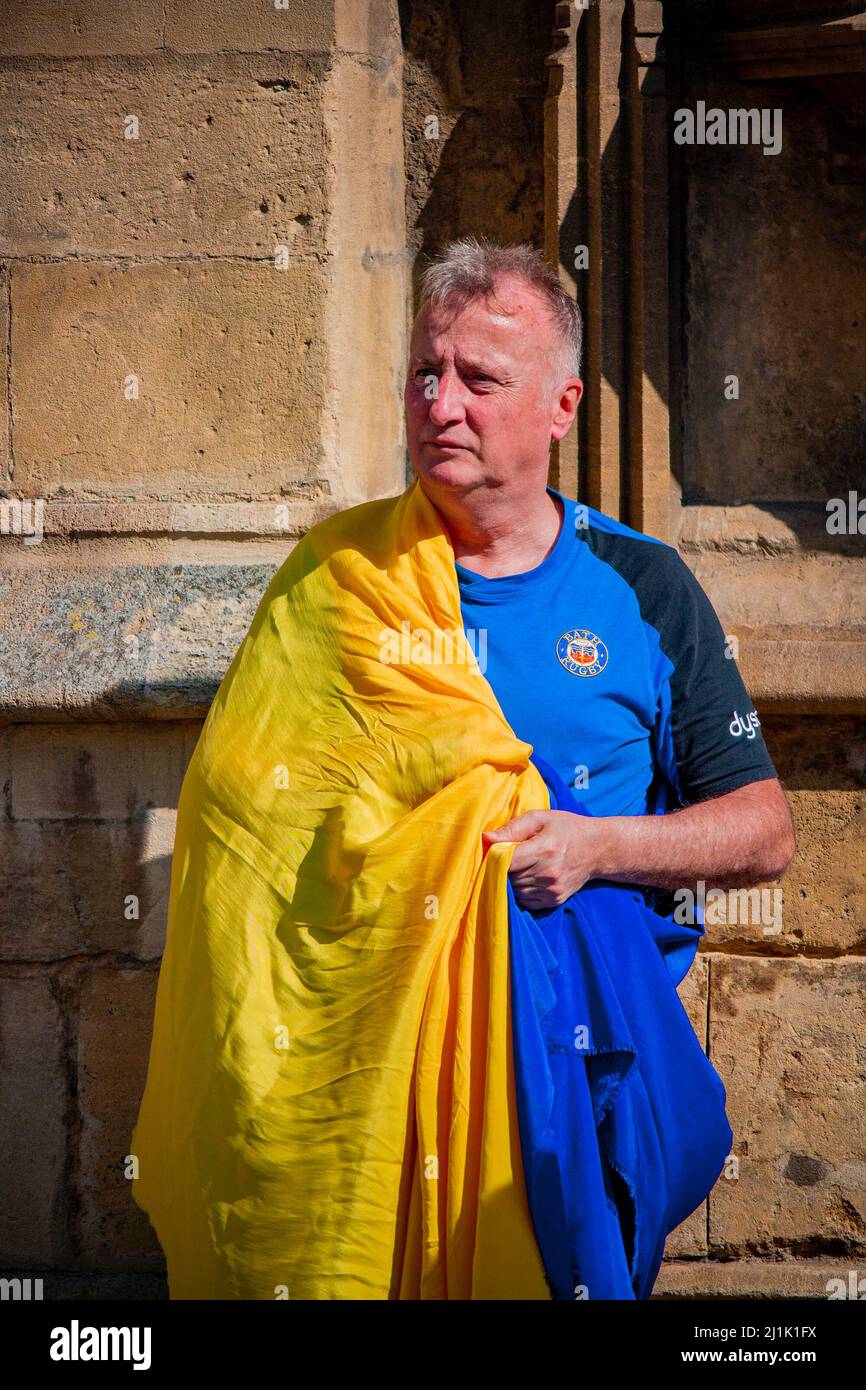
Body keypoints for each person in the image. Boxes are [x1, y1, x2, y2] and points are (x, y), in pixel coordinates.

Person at [130, 236, 795, 1302]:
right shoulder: (335, 578)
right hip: (358, 1097)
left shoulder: (642, 587)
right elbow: (245, 839)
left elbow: (762, 834)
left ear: (560, 407)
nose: (441, 404)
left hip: (569, 1089)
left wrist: (596, 847)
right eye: (423, 376)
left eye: (479, 380)